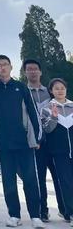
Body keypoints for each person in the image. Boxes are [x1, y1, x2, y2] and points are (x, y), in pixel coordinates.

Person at [0, 54, 44, 228]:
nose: (2, 68)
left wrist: (37, 137)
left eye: (5, 64)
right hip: (4, 144)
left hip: (23, 143)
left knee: (30, 179)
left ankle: (35, 215)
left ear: (11, 66)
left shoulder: (21, 87)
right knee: (8, 182)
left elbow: (33, 113)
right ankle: (14, 215)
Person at [24, 59, 64, 221]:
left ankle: (65, 208)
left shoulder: (50, 92)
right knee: (38, 177)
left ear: (40, 72)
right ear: (25, 72)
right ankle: (42, 210)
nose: (33, 72)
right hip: (35, 142)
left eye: (35, 69)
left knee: (60, 176)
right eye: (29, 69)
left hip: (53, 140)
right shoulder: (23, 92)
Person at [41, 78, 73, 225]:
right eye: (56, 88)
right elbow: (46, 129)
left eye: (62, 88)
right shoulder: (47, 108)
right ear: (51, 91)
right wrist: (54, 117)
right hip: (59, 152)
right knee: (66, 182)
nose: (60, 90)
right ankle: (70, 212)